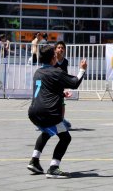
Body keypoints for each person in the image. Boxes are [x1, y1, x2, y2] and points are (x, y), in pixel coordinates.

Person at [27, 44, 87, 178]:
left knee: (47, 132)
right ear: (53, 57)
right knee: (65, 138)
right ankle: (54, 168)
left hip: (33, 112)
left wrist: (61, 94)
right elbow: (74, 83)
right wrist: (82, 70)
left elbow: (46, 90)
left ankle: (34, 161)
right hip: (49, 113)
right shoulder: (56, 72)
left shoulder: (38, 72)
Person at [54, 40, 72, 129]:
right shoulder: (52, 60)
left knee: (61, 103)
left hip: (60, 85)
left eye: (62, 48)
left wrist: (66, 87)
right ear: (55, 49)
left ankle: (61, 120)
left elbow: (65, 74)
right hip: (51, 85)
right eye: (59, 47)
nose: (60, 49)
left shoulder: (65, 61)